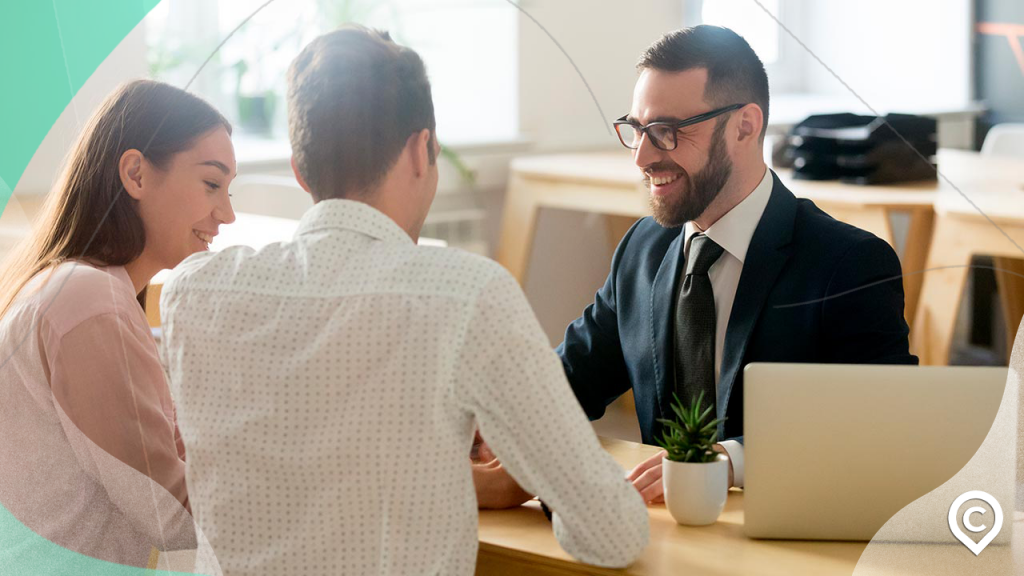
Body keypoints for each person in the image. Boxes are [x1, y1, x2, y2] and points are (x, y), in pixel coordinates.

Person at [159, 25, 648, 576]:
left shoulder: (190, 293)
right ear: (422, 150)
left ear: (300, 170)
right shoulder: (467, 295)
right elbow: (613, 532)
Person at [480, 25, 918, 506]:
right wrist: (486, 425)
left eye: (666, 132)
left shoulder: (849, 264)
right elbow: (570, 377)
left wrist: (730, 461)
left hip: (781, 528)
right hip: (658, 530)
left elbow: (882, 424)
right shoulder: (643, 248)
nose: (643, 157)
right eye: (637, 130)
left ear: (744, 126)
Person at [0, 79, 235, 568]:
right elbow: (171, 512)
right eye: (212, 184)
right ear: (136, 174)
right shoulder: (90, 301)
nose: (227, 214)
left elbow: (162, 456)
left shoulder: (73, 286)